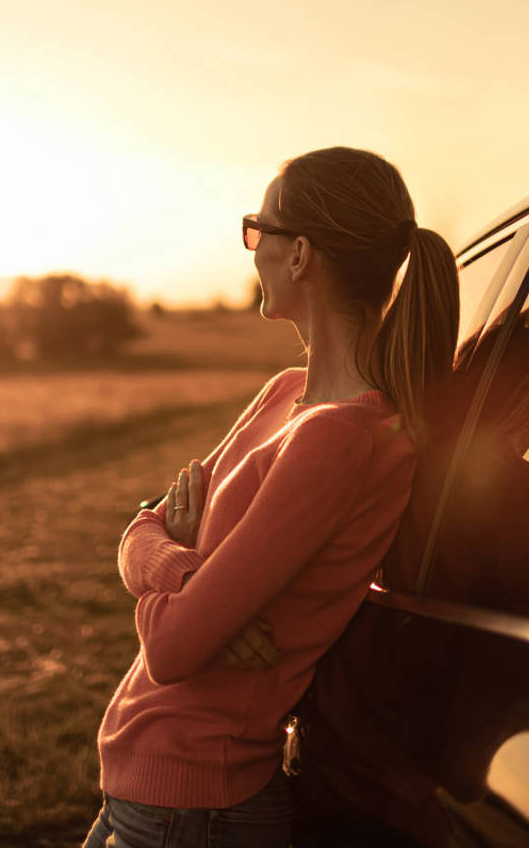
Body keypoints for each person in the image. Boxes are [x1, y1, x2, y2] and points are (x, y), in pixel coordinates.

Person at [81, 147, 460, 847]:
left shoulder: (343, 437)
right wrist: (186, 570)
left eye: (258, 229)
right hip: (147, 792)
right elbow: (139, 530)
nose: (250, 249)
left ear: (300, 255)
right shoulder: (285, 394)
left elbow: (170, 650)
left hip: (194, 807)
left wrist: (182, 577)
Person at [286, 276, 529, 847]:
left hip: (324, 762)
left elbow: (468, 592)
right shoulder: (527, 499)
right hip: (403, 808)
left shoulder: (402, 434)